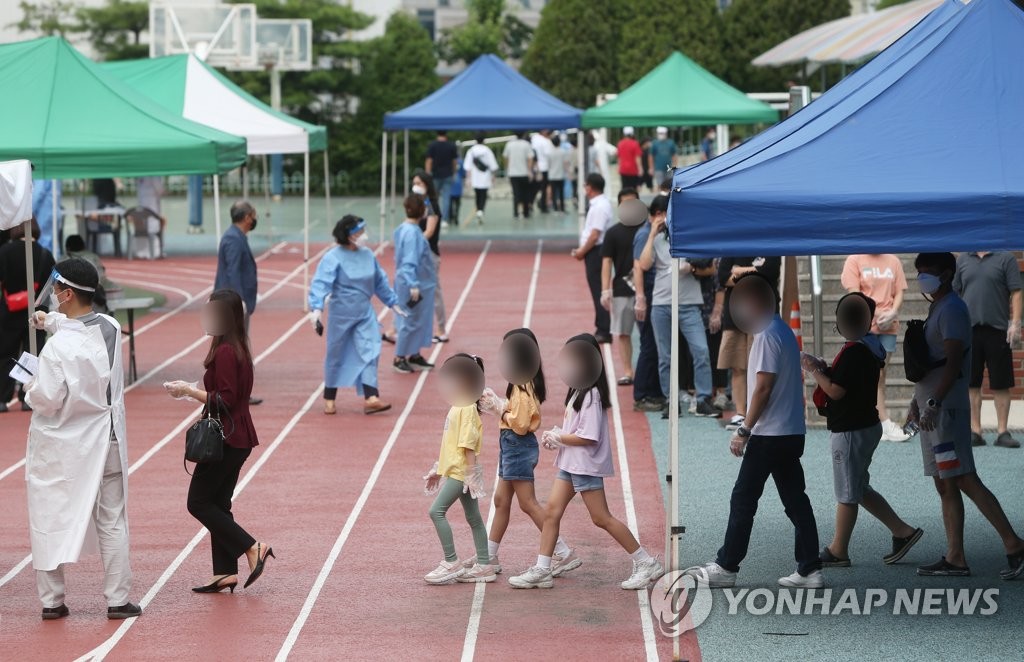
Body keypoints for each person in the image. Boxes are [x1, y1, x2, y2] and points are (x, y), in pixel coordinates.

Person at [685, 273, 823, 588]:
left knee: (744, 498)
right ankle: (810, 567)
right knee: (795, 499)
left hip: (769, 433)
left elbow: (762, 388)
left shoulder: (765, 335)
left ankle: (727, 566)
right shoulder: (784, 330)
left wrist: (745, 429)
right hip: (790, 431)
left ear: (758, 300)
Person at [25, 258, 140, 620]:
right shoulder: (109, 327)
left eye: (56, 290)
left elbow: (47, 399)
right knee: (113, 520)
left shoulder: (56, 351)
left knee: (48, 514)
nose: (53, 296)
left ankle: (52, 601)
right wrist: (49, 320)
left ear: (67, 292)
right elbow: (80, 328)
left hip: (67, 448)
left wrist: (30, 382)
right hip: (109, 441)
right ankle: (118, 599)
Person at [509, 334, 664, 590]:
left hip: (585, 465)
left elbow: (589, 436)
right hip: (571, 464)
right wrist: (557, 435)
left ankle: (646, 562)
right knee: (551, 513)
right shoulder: (579, 389)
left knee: (601, 518)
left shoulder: (591, 394)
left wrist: (559, 437)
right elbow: (576, 428)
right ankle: (543, 568)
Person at [907, 253, 1024, 579]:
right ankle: (955, 556)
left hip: (946, 413)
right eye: (919, 272)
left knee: (962, 477)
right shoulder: (939, 307)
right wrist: (919, 401)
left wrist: (933, 401)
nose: (922, 278)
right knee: (945, 483)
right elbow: (934, 362)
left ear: (946, 274)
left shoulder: (954, 309)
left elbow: (955, 361)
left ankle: (1014, 544)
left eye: (927, 272)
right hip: (935, 411)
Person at [164, 290, 275, 594]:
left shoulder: (226, 351)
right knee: (218, 504)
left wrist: (188, 391)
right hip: (238, 436)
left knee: (198, 502)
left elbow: (225, 399)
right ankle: (225, 571)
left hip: (228, 437)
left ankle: (253, 547)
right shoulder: (233, 346)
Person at [803, 292, 923, 567]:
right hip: (866, 426)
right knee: (858, 487)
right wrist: (826, 368)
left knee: (847, 493)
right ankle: (902, 531)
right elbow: (846, 379)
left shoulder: (854, 351)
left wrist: (813, 369)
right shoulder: (870, 347)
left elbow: (835, 391)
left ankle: (838, 550)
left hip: (850, 430)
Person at [474, 329, 577, 575]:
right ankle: (489, 556)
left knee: (528, 503)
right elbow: (520, 416)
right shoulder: (522, 383)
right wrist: (499, 403)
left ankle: (563, 552)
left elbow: (520, 426)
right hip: (511, 446)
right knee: (501, 501)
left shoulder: (522, 386)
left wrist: (498, 410)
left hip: (517, 446)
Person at [308, 215, 404, 416]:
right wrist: (316, 311)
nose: (364, 236)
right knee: (336, 354)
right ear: (349, 236)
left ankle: (371, 397)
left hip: (364, 313)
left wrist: (393, 302)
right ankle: (329, 397)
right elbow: (320, 284)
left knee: (371, 350)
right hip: (341, 314)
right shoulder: (333, 257)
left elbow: (380, 281)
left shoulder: (368, 255)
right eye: (359, 232)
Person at [639, 195, 718, 418]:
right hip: (662, 303)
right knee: (665, 356)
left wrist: (691, 269)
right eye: (660, 214)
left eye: (668, 213)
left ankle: (703, 398)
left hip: (689, 303)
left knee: (701, 351)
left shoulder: (688, 235)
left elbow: (709, 266)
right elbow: (644, 264)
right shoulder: (654, 239)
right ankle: (670, 400)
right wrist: (653, 233)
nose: (664, 218)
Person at [422, 354, 491, 584]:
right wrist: (438, 470)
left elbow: (467, 445)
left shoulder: (467, 408)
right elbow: (449, 445)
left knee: (436, 512)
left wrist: (471, 475)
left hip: (461, 473)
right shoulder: (459, 405)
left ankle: (451, 562)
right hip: (456, 471)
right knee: (474, 517)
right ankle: (484, 564)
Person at [953, 251, 1022, 448]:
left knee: (1001, 382)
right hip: (968, 330)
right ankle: (975, 431)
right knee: (971, 382)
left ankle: (1002, 432)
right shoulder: (963, 259)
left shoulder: (1006, 258)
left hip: (998, 329)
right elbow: (955, 292)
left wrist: (1015, 322)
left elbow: (1016, 291)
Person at [841, 254, 911, 442]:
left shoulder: (893, 261)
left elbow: (899, 293)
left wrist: (893, 312)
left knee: (881, 374)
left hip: (888, 327)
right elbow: (854, 293)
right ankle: (881, 420)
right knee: (870, 374)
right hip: (864, 325)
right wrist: (879, 312)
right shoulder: (854, 260)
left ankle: (878, 420)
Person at [712, 256, 782, 430]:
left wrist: (738, 271)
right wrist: (753, 271)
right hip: (735, 313)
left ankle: (756, 413)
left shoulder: (770, 244)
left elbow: (769, 272)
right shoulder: (732, 244)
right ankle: (741, 413)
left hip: (763, 314)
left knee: (761, 367)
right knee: (737, 366)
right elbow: (723, 278)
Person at [0, 220, 55, 412]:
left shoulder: (4, 252)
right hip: (37, 312)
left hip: (9, 311)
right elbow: (51, 287)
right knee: (33, 353)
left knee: (6, 354)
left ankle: (2, 397)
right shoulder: (45, 254)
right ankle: (27, 396)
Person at [214, 201, 262, 406]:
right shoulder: (233, 238)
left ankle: (234, 390)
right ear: (247, 217)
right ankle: (234, 391)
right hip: (232, 302)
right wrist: (239, 301)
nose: (255, 218)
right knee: (234, 346)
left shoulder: (237, 236)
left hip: (233, 300)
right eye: (253, 214)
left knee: (233, 346)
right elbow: (233, 271)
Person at [600, 192, 643, 386]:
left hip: (647, 289)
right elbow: (607, 262)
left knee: (648, 335)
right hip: (622, 289)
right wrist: (605, 290)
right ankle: (628, 371)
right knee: (623, 333)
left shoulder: (647, 230)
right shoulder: (613, 233)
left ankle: (647, 370)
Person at [393, 195, 437, 374]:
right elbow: (409, 262)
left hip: (420, 283)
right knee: (409, 320)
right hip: (413, 284)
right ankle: (399, 357)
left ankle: (414, 353)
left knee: (419, 320)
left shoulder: (406, 228)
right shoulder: (412, 233)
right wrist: (413, 284)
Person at [630, 200, 665, 413]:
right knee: (649, 345)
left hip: (655, 293)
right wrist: (641, 298)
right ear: (659, 213)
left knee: (653, 345)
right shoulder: (645, 234)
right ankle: (642, 395)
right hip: (650, 295)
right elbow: (638, 267)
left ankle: (652, 391)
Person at [573, 173, 613, 344]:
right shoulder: (599, 204)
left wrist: (581, 251)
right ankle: (602, 327)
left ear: (589, 187)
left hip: (596, 252)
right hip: (594, 251)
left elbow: (595, 235)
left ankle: (604, 329)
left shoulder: (599, 207)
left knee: (598, 290)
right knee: (596, 290)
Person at [412, 170, 448, 344]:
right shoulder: (416, 204)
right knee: (411, 289)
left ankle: (441, 329)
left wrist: (414, 241)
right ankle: (398, 327)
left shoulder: (432, 205)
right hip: (417, 254)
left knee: (434, 292)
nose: (415, 186)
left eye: (419, 183)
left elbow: (430, 231)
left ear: (427, 185)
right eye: (414, 183)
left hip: (429, 253)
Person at [424, 131, 459, 226]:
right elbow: (454, 161)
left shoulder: (433, 145)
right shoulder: (451, 145)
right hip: (448, 174)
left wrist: (428, 174)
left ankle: (432, 217)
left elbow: (429, 160)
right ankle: (444, 220)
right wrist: (454, 172)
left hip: (435, 175)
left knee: (433, 197)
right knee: (446, 198)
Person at [463, 133, 498, 225]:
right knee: (483, 195)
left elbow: (467, 167)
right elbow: (493, 165)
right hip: (485, 177)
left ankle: (479, 210)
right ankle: (481, 211)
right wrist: (494, 176)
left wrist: (468, 179)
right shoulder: (487, 150)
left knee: (477, 195)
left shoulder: (471, 151)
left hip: (475, 177)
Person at [503, 131, 534, 219]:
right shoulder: (526, 144)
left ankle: (516, 212)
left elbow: (506, 157)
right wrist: (529, 170)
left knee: (516, 194)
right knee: (525, 193)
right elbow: (530, 158)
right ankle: (526, 212)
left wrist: (507, 169)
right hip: (524, 172)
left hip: (513, 173)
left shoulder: (509, 144)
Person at [133, 176, 166, 259]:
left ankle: (141, 252)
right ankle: (155, 253)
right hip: (151, 207)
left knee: (143, 230)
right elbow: (160, 190)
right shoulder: (154, 175)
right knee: (153, 229)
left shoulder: (139, 175)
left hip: (142, 206)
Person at [32, 178, 62, 254]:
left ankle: (47, 265)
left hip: (44, 213)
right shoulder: (55, 172)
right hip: (53, 211)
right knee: (53, 243)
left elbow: (38, 193)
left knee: (43, 243)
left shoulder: (43, 171)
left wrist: (28, 211)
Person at [531, 130, 554, 213]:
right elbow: (549, 154)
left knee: (534, 187)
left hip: (535, 167)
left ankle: (530, 203)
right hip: (544, 167)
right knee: (544, 188)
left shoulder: (533, 138)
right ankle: (543, 206)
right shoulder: (546, 141)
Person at [616, 127, 643, 191]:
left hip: (623, 170)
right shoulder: (635, 143)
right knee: (633, 189)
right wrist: (640, 168)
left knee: (624, 189)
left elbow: (619, 157)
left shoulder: (620, 143)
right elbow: (637, 158)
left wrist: (618, 167)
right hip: (633, 170)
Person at [547, 134, 566, 213]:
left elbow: (548, 164)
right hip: (561, 174)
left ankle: (555, 208)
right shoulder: (563, 151)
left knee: (554, 192)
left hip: (552, 175)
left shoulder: (550, 152)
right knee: (561, 192)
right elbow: (565, 163)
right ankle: (562, 208)